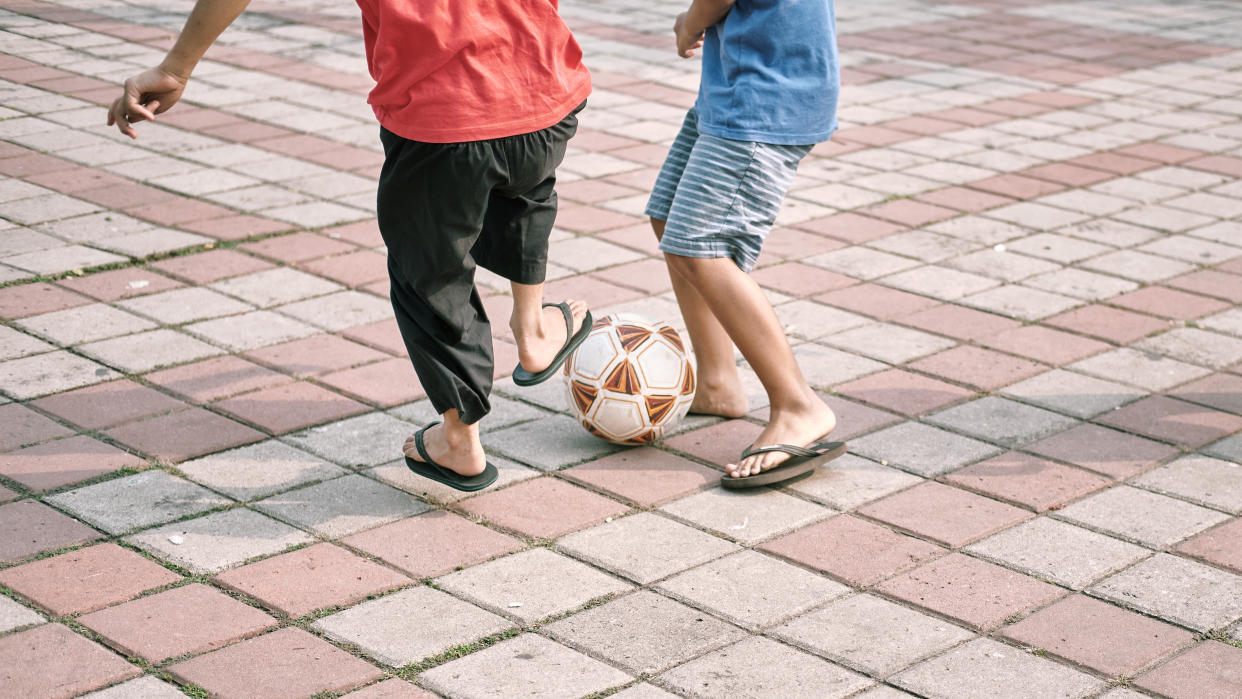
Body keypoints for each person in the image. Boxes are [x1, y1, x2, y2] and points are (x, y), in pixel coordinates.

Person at [107, 0, 594, 491]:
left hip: (441, 109)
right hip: (543, 86)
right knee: (525, 194)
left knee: (432, 272)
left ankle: (459, 438)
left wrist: (176, 66)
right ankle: (532, 333)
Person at [646, 0, 845, 488]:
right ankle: (717, 382)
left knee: (700, 243)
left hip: (765, 95)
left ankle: (799, 406)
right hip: (740, 84)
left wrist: (690, 22)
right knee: (670, 217)